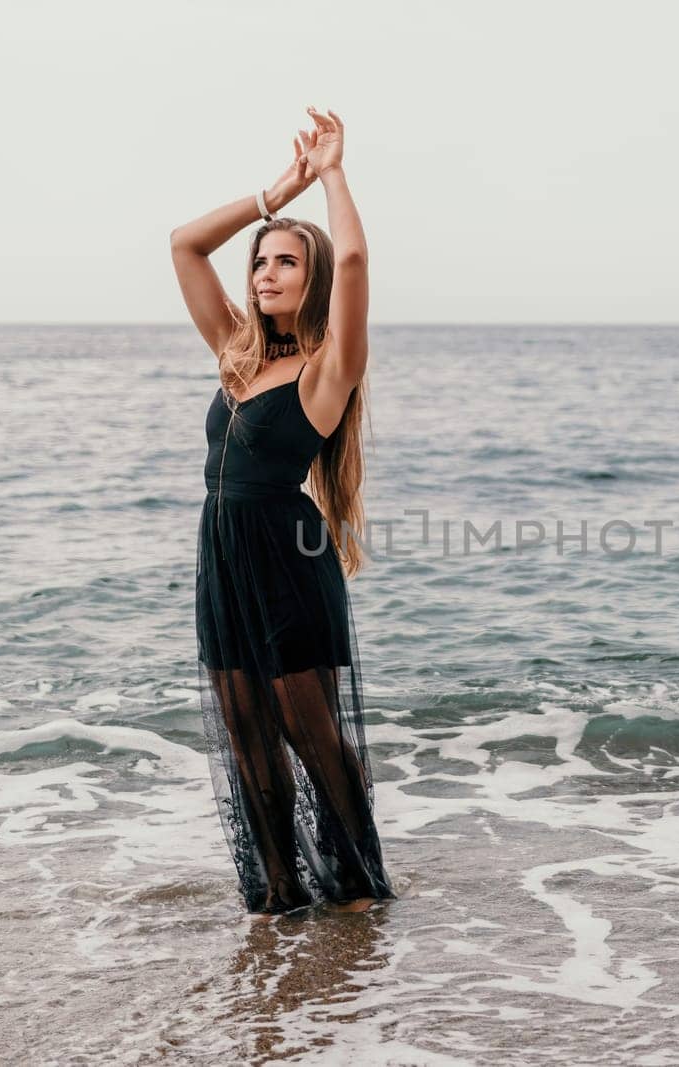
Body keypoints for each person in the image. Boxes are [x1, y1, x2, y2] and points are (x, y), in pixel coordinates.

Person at [169, 106, 394, 916]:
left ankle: (359, 891)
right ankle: (278, 892)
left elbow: (359, 259)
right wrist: (272, 196)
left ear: (313, 280)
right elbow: (185, 244)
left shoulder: (327, 370)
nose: (263, 272)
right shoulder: (235, 351)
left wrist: (331, 173)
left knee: (310, 729)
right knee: (247, 733)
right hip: (223, 559)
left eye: (286, 263)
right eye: (261, 261)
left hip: (289, 557)